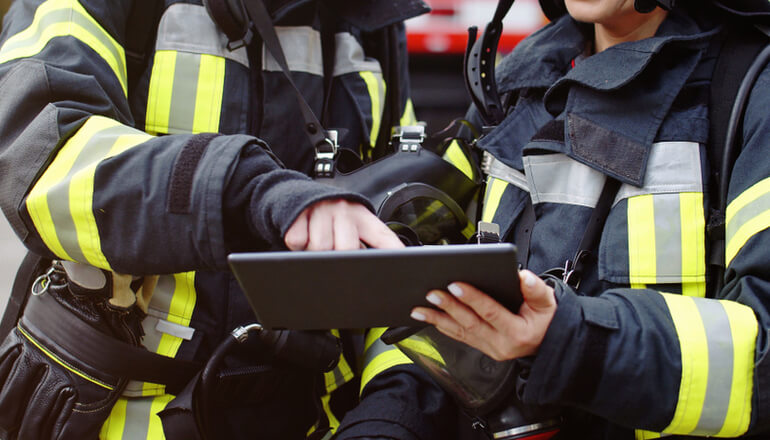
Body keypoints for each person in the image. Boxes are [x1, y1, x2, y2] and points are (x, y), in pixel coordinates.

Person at [0, 0, 457, 439]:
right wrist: (247, 190)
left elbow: (397, 248)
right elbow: (39, 157)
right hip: (121, 415)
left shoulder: (371, 19)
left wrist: (390, 415)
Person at [411, 0, 770, 438]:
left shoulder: (751, 88)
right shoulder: (518, 80)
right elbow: (426, 286)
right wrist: (391, 416)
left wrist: (576, 341)